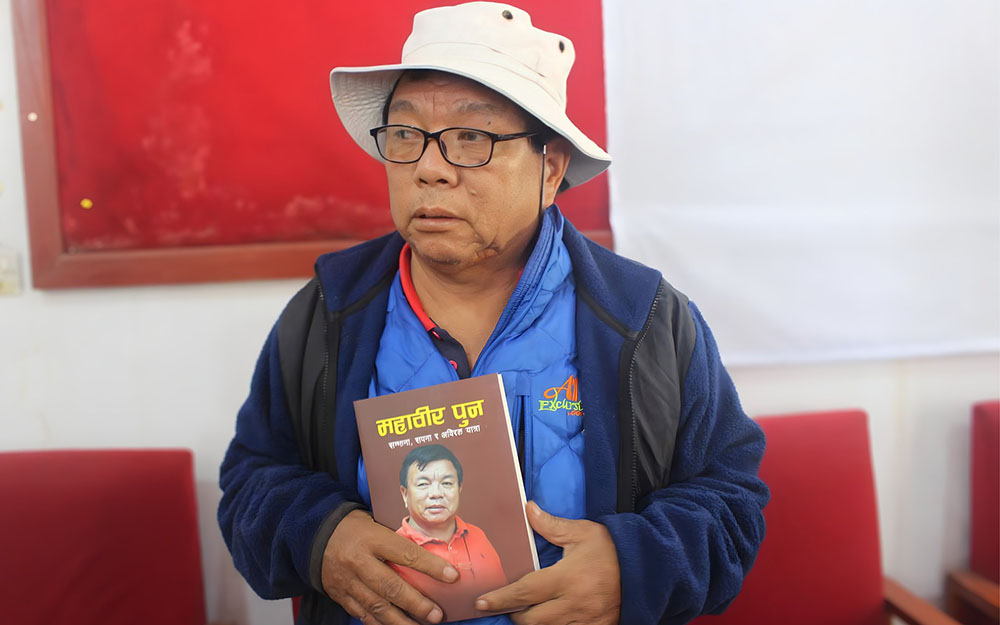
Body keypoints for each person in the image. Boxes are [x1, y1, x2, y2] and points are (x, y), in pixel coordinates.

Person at [218, 3, 769, 625]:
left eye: (472, 139)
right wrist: (322, 538)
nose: (429, 169)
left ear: (550, 168)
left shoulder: (645, 320)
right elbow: (250, 482)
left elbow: (731, 502)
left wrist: (633, 567)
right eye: (406, 135)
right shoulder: (329, 312)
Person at [392, 445, 507, 605]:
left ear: (459, 489)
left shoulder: (477, 535)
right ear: (405, 494)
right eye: (423, 484)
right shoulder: (392, 549)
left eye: (446, 483)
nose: (436, 494)